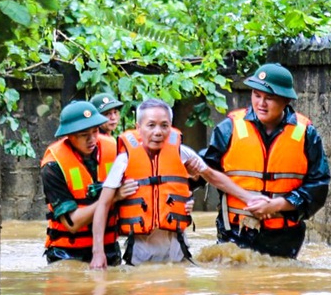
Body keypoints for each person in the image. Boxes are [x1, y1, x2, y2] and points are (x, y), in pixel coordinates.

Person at [90, 98, 258, 269]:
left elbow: (213, 176)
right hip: (141, 248)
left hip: (177, 246)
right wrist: (98, 253)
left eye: (164, 125)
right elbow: (103, 205)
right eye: (151, 125)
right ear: (139, 128)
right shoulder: (124, 160)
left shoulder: (181, 152)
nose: (158, 132)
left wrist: (249, 198)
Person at [200, 63, 330, 258]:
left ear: (286, 100)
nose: (261, 103)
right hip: (235, 232)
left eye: (269, 98)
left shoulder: (305, 134)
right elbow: (206, 171)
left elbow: (318, 186)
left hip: (284, 237)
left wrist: (276, 205)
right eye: (256, 95)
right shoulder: (229, 128)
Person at [40, 101, 134, 265]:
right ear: (69, 135)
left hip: (109, 249)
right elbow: (73, 223)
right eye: (84, 135)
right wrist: (112, 197)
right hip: (67, 254)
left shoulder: (115, 150)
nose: (92, 139)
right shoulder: (53, 166)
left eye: (95, 131)